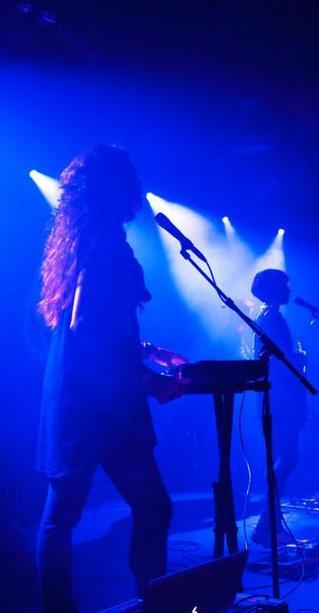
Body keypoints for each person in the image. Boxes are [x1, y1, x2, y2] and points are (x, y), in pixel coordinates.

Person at [36, 145, 183, 611]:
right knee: (127, 510)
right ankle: (149, 602)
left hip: (88, 403)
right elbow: (86, 327)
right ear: (113, 187)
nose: (135, 188)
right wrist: (145, 377)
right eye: (128, 178)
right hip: (98, 407)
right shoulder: (102, 245)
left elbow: (99, 326)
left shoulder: (91, 241)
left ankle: (131, 602)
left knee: (65, 518)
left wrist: (142, 352)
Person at [250, 269, 307, 546]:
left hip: (277, 398)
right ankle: (266, 522)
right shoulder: (271, 318)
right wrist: (299, 360)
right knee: (287, 457)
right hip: (279, 399)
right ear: (273, 288)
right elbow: (278, 365)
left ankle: (268, 519)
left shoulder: (269, 316)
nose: (289, 289)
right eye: (285, 284)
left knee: (285, 457)